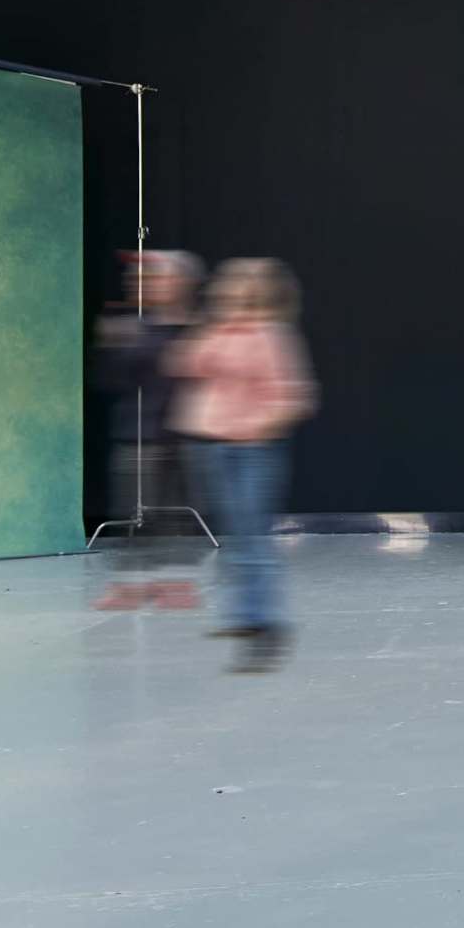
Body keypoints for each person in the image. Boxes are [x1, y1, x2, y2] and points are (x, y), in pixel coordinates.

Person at [170, 258, 314, 671]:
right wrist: (210, 325)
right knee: (236, 537)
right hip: (213, 446)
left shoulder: (272, 336)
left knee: (254, 538)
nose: (230, 289)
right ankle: (243, 616)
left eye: (240, 284)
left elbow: (294, 396)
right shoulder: (219, 330)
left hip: (254, 450)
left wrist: (256, 424)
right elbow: (185, 364)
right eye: (226, 284)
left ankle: (268, 627)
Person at [89, 250, 208, 610]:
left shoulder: (198, 326)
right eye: (142, 280)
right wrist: (111, 345)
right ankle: (130, 587)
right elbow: (109, 380)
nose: (144, 284)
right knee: (136, 517)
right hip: (139, 436)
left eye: (156, 278)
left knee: (175, 519)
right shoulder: (133, 326)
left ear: (182, 284)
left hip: (186, 437)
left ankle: (176, 585)